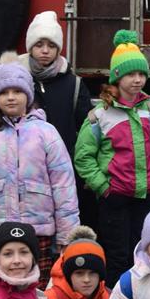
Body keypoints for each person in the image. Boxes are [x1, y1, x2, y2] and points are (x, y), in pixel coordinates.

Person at [0, 61, 78, 268]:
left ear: (28, 95)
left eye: (17, 91)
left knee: (37, 295)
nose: (11, 97)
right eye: (4, 92)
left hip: (39, 230)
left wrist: (67, 235)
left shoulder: (46, 132)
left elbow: (63, 185)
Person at [75, 31, 150, 285]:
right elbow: (83, 157)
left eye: (141, 74)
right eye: (131, 74)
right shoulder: (100, 114)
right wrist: (103, 187)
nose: (137, 80)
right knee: (117, 257)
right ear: (117, 77)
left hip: (146, 196)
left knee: (144, 255)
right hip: (114, 199)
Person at [24, 11, 96, 204]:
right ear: (30, 47)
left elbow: (87, 132)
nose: (45, 51)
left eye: (51, 45)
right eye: (39, 45)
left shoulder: (74, 84)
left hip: (66, 174)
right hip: (27, 173)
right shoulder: (18, 83)